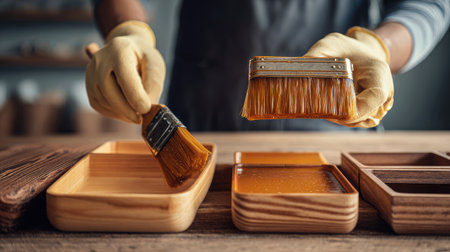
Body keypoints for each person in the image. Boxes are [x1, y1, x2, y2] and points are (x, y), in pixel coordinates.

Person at [86, 0, 450, 131]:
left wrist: (380, 47)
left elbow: (429, 4)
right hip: (204, 123)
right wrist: (127, 30)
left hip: (335, 133)